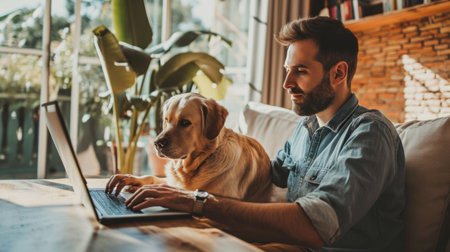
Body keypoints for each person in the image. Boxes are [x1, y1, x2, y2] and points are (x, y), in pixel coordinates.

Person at [106, 16, 405, 251]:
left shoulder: (369, 134)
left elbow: (315, 226)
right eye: (287, 69)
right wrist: (159, 183)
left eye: (300, 70)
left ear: (338, 73)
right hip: (288, 244)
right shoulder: (307, 128)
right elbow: (268, 177)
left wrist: (197, 201)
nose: (287, 82)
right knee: (149, 236)